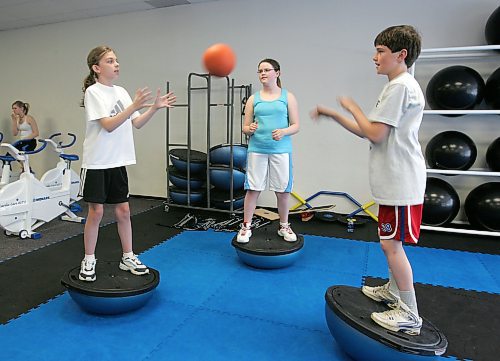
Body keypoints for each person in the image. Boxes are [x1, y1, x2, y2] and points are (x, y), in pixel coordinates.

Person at [311, 25, 425, 335]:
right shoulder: (396, 86)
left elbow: (374, 131)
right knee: (390, 243)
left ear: (401, 55)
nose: (374, 58)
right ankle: (392, 290)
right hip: (393, 181)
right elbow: (368, 130)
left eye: (381, 52)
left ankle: (409, 313)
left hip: (402, 181)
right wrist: (336, 115)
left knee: (391, 246)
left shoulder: (401, 86)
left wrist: (352, 107)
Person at [78, 45, 176, 282]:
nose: (116, 64)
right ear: (96, 68)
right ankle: (89, 259)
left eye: (116, 60)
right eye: (110, 61)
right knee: (97, 211)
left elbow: (137, 123)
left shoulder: (121, 91)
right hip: (97, 162)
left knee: (123, 210)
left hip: (117, 161)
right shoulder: (93, 92)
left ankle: (128, 256)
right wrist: (134, 105)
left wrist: (153, 108)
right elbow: (109, 125)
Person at [237, 58, 300, 244]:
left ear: (277, 73)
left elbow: (296, 125)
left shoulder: (287, 97)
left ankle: (284, 225)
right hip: (257, 149)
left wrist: (283, 131)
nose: (263, 73)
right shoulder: (253, 99)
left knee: (282, 191)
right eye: (260, 71)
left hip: (281, 150)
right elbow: (245, 127)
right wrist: (250, 129)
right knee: (253, 189)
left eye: (266, 70)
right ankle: (246, 226)